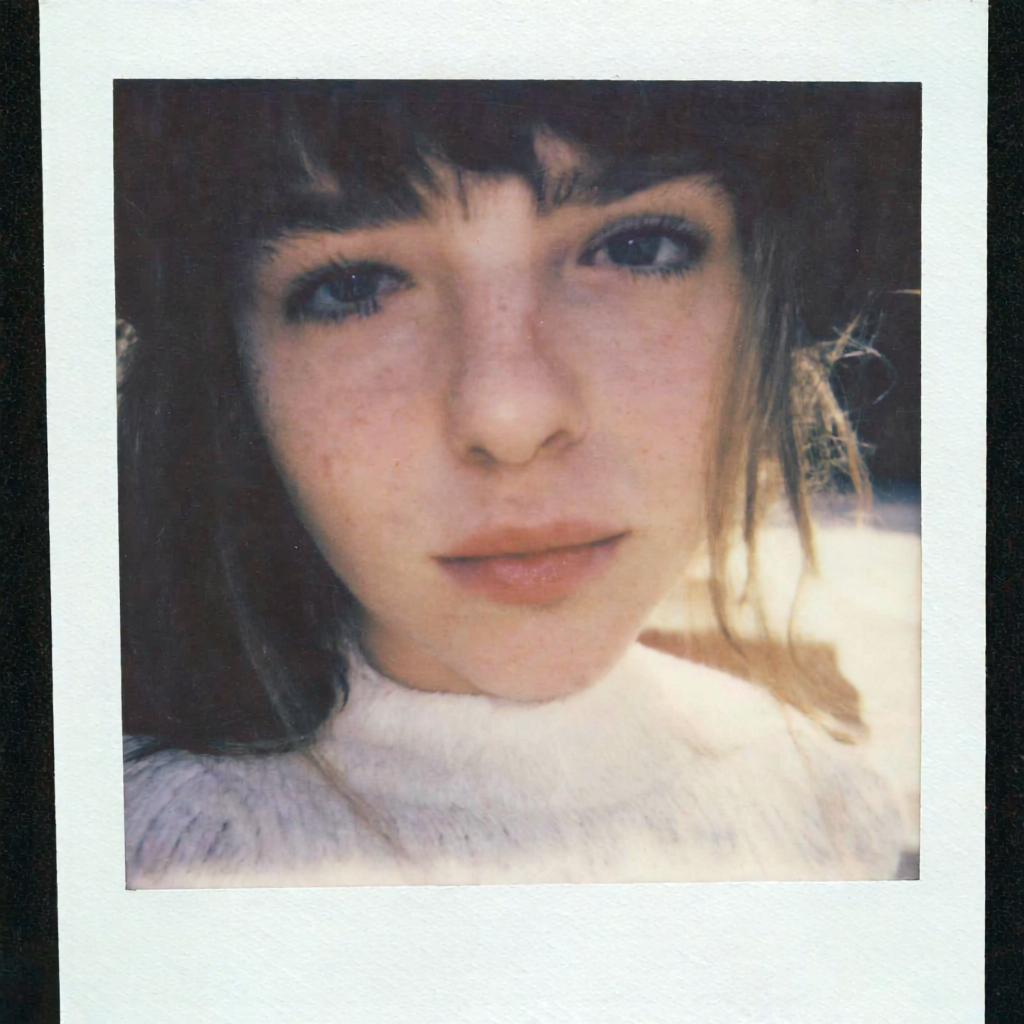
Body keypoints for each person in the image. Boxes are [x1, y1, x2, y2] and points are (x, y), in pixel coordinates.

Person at [116, 81, 920, 888]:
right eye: (354, 285)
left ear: (766, 293)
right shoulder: (145, 851)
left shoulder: (829, 812)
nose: (509, 420)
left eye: (637, 248)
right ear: (234, 373)